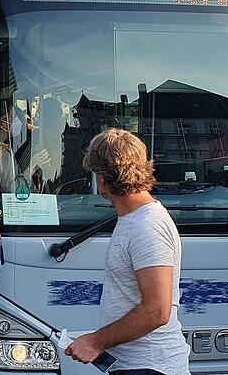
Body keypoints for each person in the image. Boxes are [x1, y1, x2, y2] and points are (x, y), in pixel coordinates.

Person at [65, 129, 190, 375]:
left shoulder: (148, 226)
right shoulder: (134, 219)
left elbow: (157, 311)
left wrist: (95, 341)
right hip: (139, 366)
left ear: (102, 179)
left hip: (151, 367)